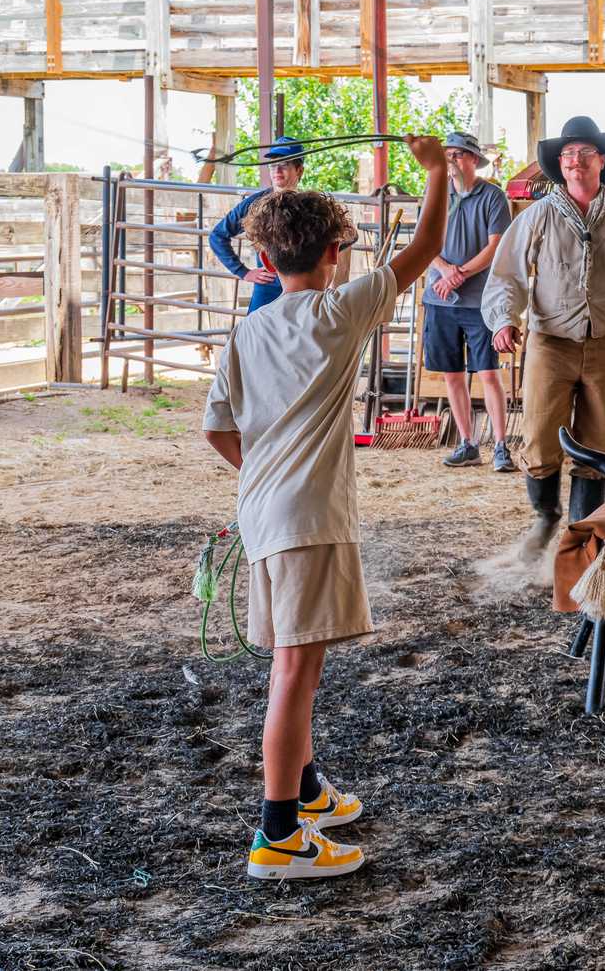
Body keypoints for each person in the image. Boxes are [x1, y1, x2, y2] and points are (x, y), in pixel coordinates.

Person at [201, 135, 449, 881]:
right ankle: (277, 833)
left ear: (267, 263)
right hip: (307, 518)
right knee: (293, 671)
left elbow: (216, 427)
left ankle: (304, 790)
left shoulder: (248, 329)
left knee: (297, 662)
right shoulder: (340, 313)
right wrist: (435, 170)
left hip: (267, 514)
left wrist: (263, 481)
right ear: (334, 254)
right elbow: (429, 244)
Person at [482, 116, 605, 554]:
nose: (575, 162)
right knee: (539, 432)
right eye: (568, 155)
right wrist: (504, 319)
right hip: (550, 341)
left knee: (599, 439)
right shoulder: (539, 215)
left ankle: (581, 531)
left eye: (584, 154)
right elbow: (507, 272)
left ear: (601, 161)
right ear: (560, 164)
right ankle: (544, 516)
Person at [424, 131, 517, 472]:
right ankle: (467, 442)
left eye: (459, 155)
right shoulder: (436, 194)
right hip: (441, 298)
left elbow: (496, 246)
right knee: (452, 374)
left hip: (479, 300)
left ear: (473, 160)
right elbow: (425, 240)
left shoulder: (492, 196)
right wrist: (445, 270)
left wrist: (459, 273)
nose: (452, 161)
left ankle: (501, 445)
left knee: (489, 372)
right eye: (448, 155)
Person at [206, 135, 305, 314]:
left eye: (284, 164)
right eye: (273, 164)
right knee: (255, 338)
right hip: (269, 285)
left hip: (302, 287)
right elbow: (217, 235)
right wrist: (243, 272)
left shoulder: (309, 205)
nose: (277, 170)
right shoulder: (255, 203)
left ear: (299, 170)